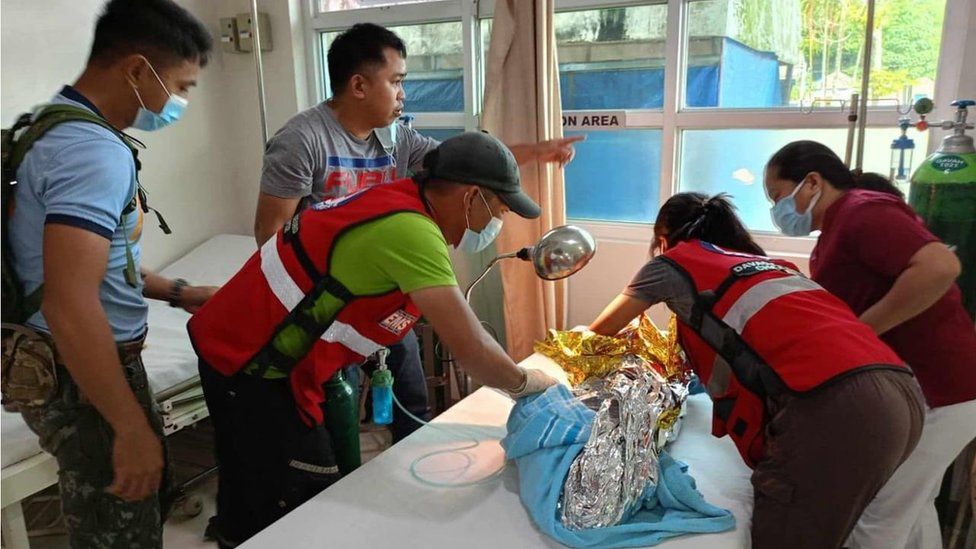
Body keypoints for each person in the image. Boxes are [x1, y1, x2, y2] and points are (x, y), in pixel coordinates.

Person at [188, 132, 561, 547]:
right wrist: (529, 384)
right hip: (251, 364)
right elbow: (471, 347)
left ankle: (235, 531)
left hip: (250, 349)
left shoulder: (401, 198)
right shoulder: (411, 232)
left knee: (249, 479)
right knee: (298, 496)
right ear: (472, 197)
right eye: (501, 209)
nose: (499, 222)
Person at [253, 23, 583, 443]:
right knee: (334, 405)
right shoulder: (303, 141)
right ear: (358, 84)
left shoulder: (396, 139)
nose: (403, 94)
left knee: (410, 393)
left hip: (381, 293)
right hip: (326, 300)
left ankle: (411, 459)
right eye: (396, 81)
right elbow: (270, 237)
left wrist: (538, 152)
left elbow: (461, 164)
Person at [588, 192, 924, 549]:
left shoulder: (672, 263)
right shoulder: (772, 266)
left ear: (664, 238)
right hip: (901, 392)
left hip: (836, 406)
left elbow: (601, 329)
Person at [4, 1, 215, 546]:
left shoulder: (46, 124)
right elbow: (70, 303)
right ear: (138, 70)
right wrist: (129, 428)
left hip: (61, 362)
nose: (181, 102)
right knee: (120, 531)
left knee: (108, 514)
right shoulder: (93, 152)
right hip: (84, 374)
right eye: (181, 85)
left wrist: (177, 291)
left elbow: (83, 268)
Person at [764, 140, 976, 549]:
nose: (777, 210)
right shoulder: (837, 228)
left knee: (878, 512)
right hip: (930, 386)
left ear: (812, 182)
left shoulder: (863, 211)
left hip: (941, 386)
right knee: (912, 505)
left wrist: (861, 334)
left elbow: (941, 266)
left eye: (778, 196)